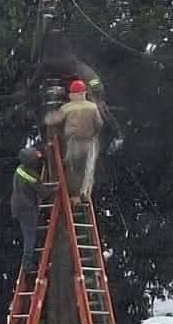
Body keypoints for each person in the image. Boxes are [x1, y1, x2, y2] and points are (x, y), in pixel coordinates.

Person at [46, 79, 103, 201]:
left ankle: (74, 195)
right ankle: (85, 193)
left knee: (73, 168)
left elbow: (53, 121)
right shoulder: (93, 107)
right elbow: (99, 124)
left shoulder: (66, 108)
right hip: (89, 142)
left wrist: (47, 117)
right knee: (88, 169)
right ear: (84, 93)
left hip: (73, 142)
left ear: (72, 94)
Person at [10, 147, 43, 275]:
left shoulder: (20, 169)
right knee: (30, 237)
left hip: (19, 208)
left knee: (29, 235)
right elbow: (43, 192)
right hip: (27, 209)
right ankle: (27, 264)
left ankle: (30, 261)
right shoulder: (31, 175)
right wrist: (56, 188)